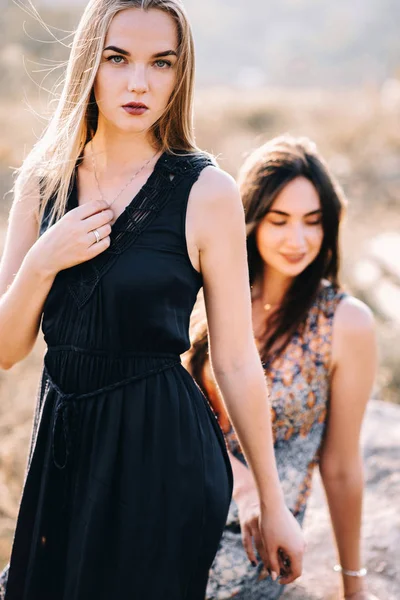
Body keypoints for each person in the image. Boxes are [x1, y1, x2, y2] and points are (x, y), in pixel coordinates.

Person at [0, 2, 304, 599]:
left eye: (160, 63)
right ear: (89, 62)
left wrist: (272, 503)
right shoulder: (43, 182)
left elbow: (237, 361)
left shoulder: (206, 191)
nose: (139, 83)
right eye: (118, 58)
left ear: (179, 73)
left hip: (162, 458)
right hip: (63, 452)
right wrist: (42, 262)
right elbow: (7, 350)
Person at [187, 136, 378, 600]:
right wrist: (243, 478)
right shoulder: (214, 296)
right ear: (250, 221)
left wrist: (352, 584)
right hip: (179, 498)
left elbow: (340, 466)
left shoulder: (344, 322)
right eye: (280, 221)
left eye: (313, 222)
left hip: (251, 542)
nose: (298, 240)